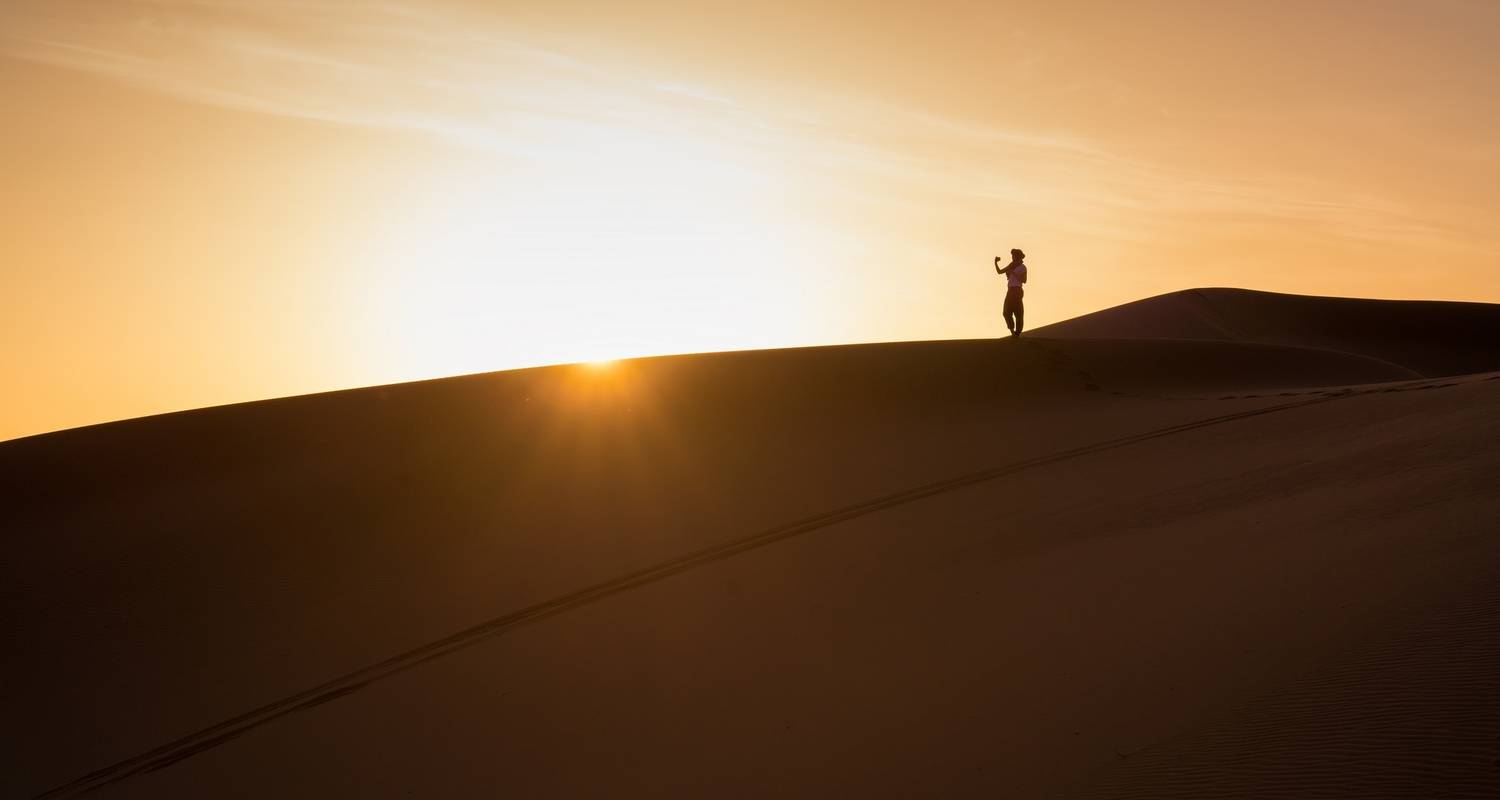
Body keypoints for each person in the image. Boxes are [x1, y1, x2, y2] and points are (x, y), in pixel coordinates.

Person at [994, 248, 1028, 336]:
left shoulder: (1022, 267)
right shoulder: (1011, 265)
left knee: (1018, 313)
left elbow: (1024, 280)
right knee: (1006, 312)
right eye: (1012, 255)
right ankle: (1013, 332)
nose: (1012, 257)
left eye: (1013, 255)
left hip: (1017, 290)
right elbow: (999, 272)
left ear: (1018, 256)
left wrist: (1012, 273)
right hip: (1010, 291)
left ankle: (1017, 333)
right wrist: (995, 263)